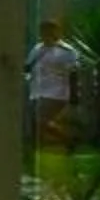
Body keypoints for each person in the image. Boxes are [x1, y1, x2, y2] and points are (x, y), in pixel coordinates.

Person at [27, 17, 80, 145]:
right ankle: (65, 141)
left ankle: (67, 139)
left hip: (57, 92)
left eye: (49, 31)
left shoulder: (67, 51)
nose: (46, 34)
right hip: (37, 90)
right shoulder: (38, 49)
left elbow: (73, 73)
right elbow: (28, 66)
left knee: (40, 120)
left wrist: (74, 94)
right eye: (43, 31)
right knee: (36, 122)